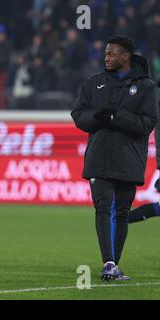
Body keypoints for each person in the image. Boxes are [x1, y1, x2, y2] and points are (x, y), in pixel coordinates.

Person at [71, 35, 158, 281]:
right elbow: (78, 115)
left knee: (121, 212)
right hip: (99, 159)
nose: (106, 57)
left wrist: (116, 117)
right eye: (105, 53)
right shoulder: (94, 83)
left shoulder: (146, 87)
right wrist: (98, 117)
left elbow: (148, 123)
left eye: (111, 53)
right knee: (103, 209)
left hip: (129, 159)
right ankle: (108, 263)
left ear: (125, 56)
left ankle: (113, 264)